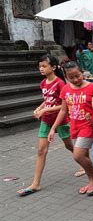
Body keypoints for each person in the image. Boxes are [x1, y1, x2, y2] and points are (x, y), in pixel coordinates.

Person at [17, 55, 74, 196]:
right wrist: (39, 108)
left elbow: (64, 105)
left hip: (60, 120)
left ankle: (85, 163)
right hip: (46, 120)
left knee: (69, 146)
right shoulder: (43, 83)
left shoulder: (60, 83)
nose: (41, 69)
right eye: (40, 66)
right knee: (41, 151)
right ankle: (35, 184)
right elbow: (47, 100)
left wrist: (45, 109)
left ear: (53, 67)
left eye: (44, 66)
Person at [48, 61, 93, 195]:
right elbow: (63, 110)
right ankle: (92, 179)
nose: (75, 80)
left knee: (78, 155)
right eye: (71, 77)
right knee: (83, 155)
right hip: (75, 126)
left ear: (82, 72)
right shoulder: (66, 89)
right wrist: (53, 128)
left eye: (77, 76)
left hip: (89, 126)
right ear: (66, 77)